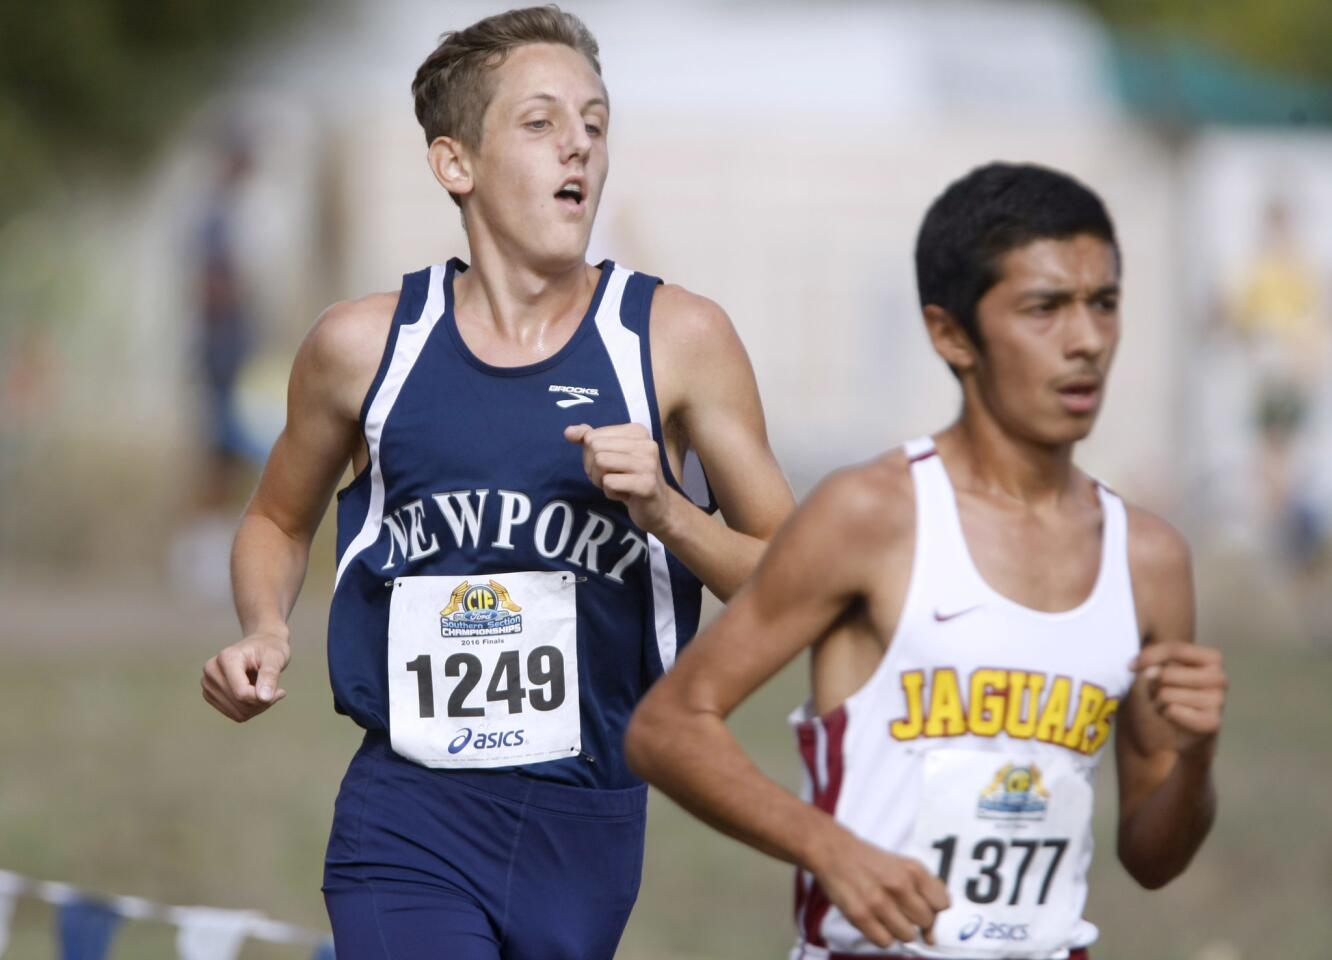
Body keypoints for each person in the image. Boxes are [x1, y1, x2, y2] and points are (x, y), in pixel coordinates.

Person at [198, 7, 793, 959]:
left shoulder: (677, 341)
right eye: (542, 123)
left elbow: (792, 583)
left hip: (591, 820)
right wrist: (263, 628)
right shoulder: (362, 347)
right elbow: (275, 517)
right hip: (408, 811)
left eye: (596, 125)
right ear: (455, 164)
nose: (580, 149)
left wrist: (669, 514)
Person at [627, 163, 1228, 959]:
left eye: (1104, 304)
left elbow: (1152, 859)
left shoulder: (1148, 557)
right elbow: (669, 728)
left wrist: (1196, 758)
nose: (1086, 340)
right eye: (1045, 308)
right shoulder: (871, 516)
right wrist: (828, 847)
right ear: (950, 333)